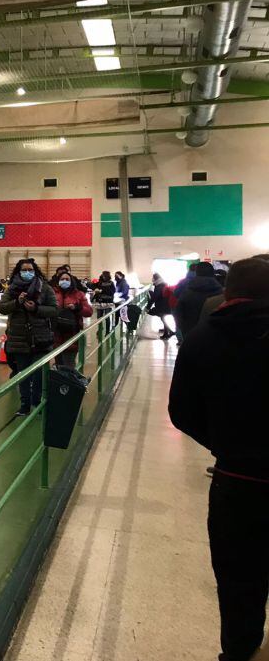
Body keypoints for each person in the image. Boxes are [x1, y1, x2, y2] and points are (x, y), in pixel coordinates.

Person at [168, 257, 269, 661]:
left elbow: (182, 412)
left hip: (238, 479)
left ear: (229, 291)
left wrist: (225, 445)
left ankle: (239, 651)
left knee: (238, 577)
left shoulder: (202, 339)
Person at [0, 259, 58, 415]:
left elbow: (53, 309)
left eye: (30, 269)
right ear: (18, 272)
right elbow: (2, 308)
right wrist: (16, 303)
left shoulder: (45, 288)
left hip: (40, 338)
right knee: (23, 374)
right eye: (24, 270)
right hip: (19, 339)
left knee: (38, 375)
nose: (27, 272)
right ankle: (24, 404)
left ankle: (37, 402)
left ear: (35, 270)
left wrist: (36, 308)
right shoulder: (11, 290)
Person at [173, 261, 223, 341]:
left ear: (196, 273)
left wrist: (184, 329)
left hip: (191, 333)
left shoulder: (187, 291)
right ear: (212, 273)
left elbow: (178, 311)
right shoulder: (221, 292)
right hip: (215, 335)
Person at [53, 270, 92, 368]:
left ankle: (69, 383)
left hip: (72, 336)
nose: (64, 281)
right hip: (56, 335)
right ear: (58, 281)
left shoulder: (79, 294)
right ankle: (60, 383)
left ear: (71, 281)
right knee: (58, 365)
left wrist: (76, 308)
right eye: (62, 279)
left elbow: (89, 312)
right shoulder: (52, 293)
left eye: (67, 279)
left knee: (69, 365)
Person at [149, 273, 176, 339]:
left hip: (163, 305)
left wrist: (148, 306)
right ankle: (168, 332)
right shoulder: (162, 284)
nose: (152, 279)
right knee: (162, 318)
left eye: (153, 278)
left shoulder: (159, 286)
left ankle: (168, 333)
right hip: (164, 305)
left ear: (156, 278)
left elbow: (156, 296)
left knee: (162, 317)